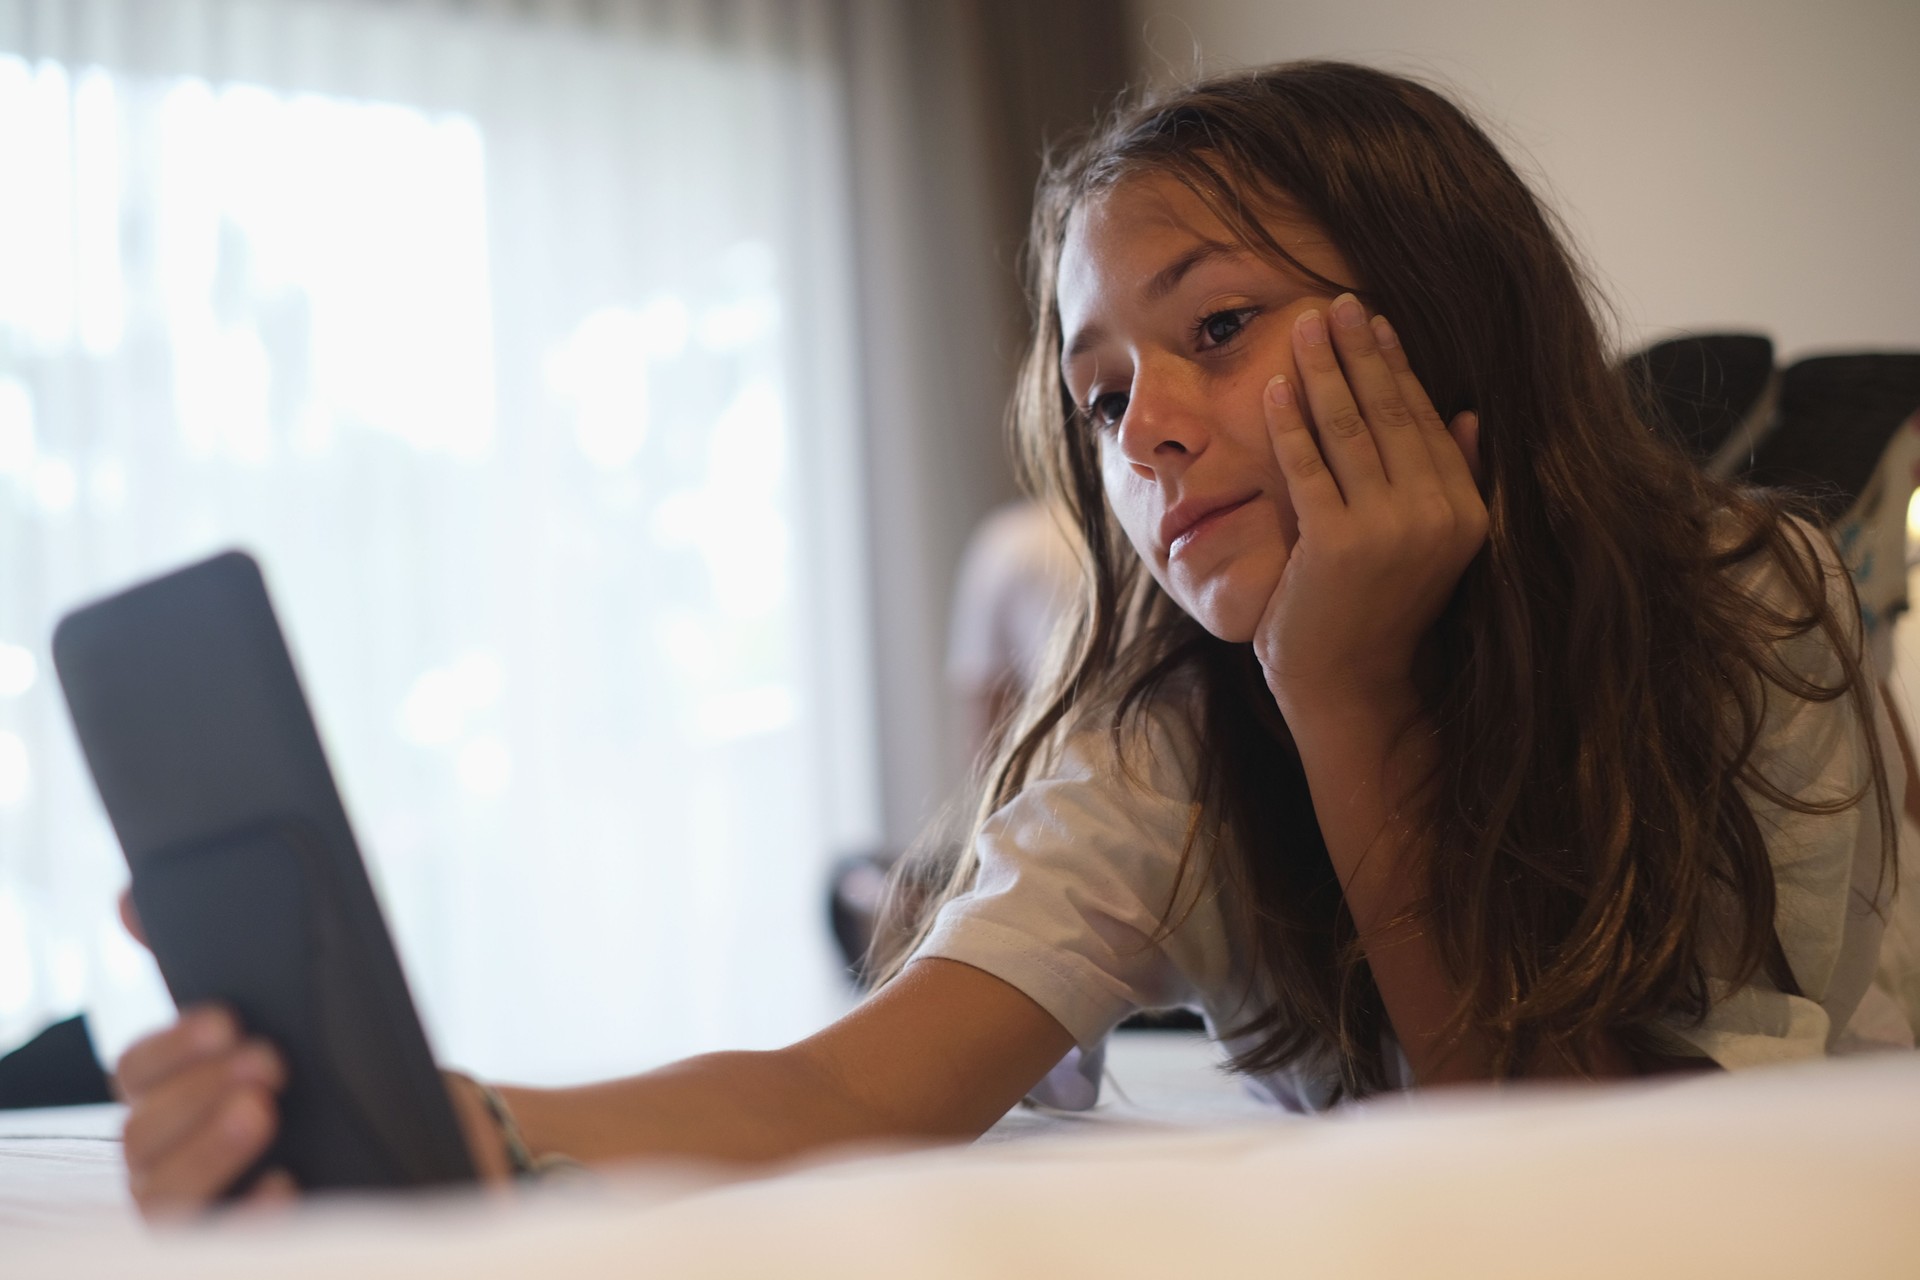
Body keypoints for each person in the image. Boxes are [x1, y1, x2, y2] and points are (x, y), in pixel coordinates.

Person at [113, 61, 1912, 1217]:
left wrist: (1350, 698)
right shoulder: (1168, 732)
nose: (1143, 434)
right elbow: (855, 1084)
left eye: (1218, 327)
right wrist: (454, 1131)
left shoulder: (1748, 608)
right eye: (1104, 391)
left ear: (1444, 323)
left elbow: (1586, 1201)